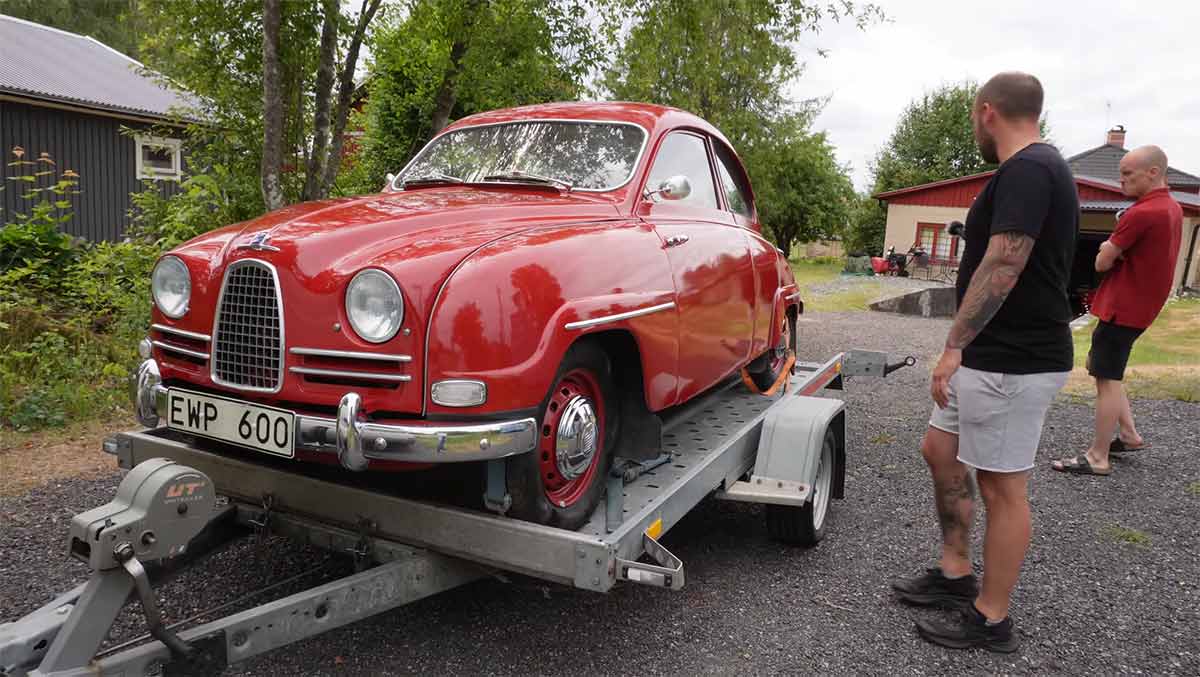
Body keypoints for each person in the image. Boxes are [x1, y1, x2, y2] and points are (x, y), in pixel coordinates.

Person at [890, 72, 1078, 653]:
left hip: (1015, 361)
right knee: (939, 449)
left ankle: (991, 620)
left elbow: (1004, 262)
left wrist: (953, 346)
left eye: (975, 116)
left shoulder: (1029, 168)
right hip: (990, 356)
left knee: (1002, 488)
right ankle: (955, 571)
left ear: (987, 111)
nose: (975, 124)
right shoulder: (1029, 170)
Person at [1051, 146, 1183, 476]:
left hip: (1122, 307)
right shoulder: (1171, 208)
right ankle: (1129, 434)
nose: (1121, 180)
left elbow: (1100, 262)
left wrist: (1107, 249)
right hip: (1141, 306)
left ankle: (1098, 456)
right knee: (1108, 370)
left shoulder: (1141, 213)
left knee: (1106, 379)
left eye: (1127, 174)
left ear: (1153, 172)